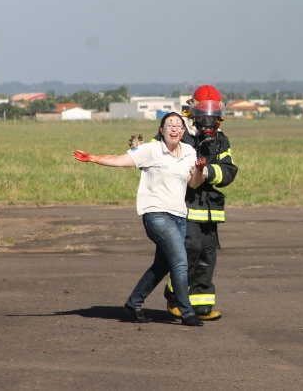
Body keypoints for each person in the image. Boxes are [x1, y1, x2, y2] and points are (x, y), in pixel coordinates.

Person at [74, 112, 206, 327]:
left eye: (178, 125)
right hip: (156, 214)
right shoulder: (151, 150)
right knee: (180, 262)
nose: (174, 128)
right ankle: (187, 312)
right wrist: (92, 158)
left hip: (179, 216)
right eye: (169, 125)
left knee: (163, 264)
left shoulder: (189, 152)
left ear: (183, 131)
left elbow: (194, 184)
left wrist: (200, 170)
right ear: (161, 130)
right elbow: (120, 160)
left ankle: (133, 303)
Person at [131, 85, 238, 321]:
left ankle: (201, 304)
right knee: (188, 252)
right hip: (183, 206)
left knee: (208, 255)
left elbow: (229, 171)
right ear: (191, 111)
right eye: (203, 111)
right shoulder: (179, 133)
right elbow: (153, 154)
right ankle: (177, 300)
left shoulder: (221, 140)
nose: (208, 118)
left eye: (213, 111)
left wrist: (208, 172)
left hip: (210, 211)